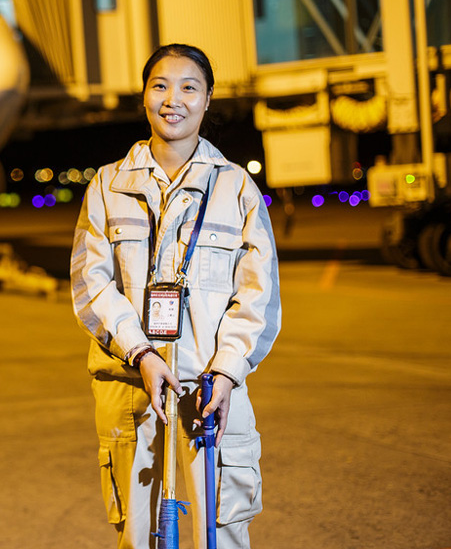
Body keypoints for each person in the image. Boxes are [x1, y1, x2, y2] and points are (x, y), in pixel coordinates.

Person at [70, 43, 281, 549]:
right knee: (139, 535)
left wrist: (228, 370)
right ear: (144, 96)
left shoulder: (235, 188)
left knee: (222, 533)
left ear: (208, 100)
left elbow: (257, 293)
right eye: (160, 85)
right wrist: (140, 353)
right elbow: (90, 283)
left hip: (210, 391)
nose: (174, 99)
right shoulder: (106, 186)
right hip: (130, 383)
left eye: (190, 87)